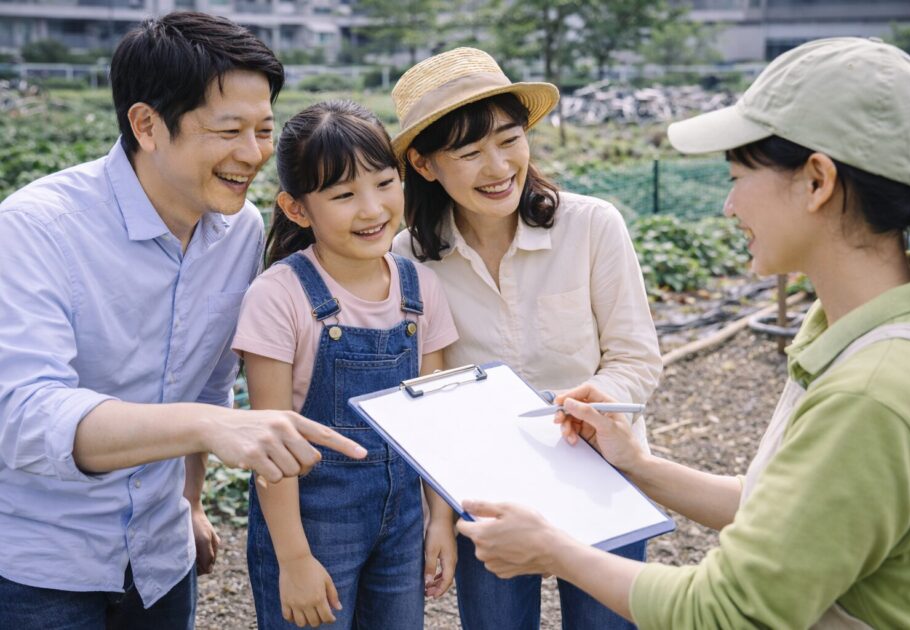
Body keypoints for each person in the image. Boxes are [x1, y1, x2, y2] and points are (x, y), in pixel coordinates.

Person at [456, 37, 910, 628]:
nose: (729, 206)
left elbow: (726, 610)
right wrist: (637, 463)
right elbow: (786, 511)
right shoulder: (877, 333)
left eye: (739, 176)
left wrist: (556, 551)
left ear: (817, 181)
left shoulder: (869, 393)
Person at [0, 13, 366, 629]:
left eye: (262, 131)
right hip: (42, 566)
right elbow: (25, 415)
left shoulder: (239, 230)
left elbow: (205, 382)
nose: (252, 156)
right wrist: (209, 426)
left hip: (161, 556)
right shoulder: (37, 227)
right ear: (146, 124)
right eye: (229, 131)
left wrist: (192, 501)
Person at [390, 47, 662, 630]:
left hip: (599, 470)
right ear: (425, 164)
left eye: (509, 139)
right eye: (469, 151)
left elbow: (636, 356)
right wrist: (436, 511)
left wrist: (591, 401)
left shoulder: (590, 225)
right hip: (486, 488)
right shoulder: (408, 258)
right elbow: (422, 387)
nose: (498, 166)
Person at [232, 99, 459, 629]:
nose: (372, 209)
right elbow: (271, 447)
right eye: (342, 195)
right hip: (311, 524)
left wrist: (440, 520)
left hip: (403, 520)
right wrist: (292, 559)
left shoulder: (420, 288)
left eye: (384, 183)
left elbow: (436, 424)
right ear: (297, 209)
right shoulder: (279, 296)